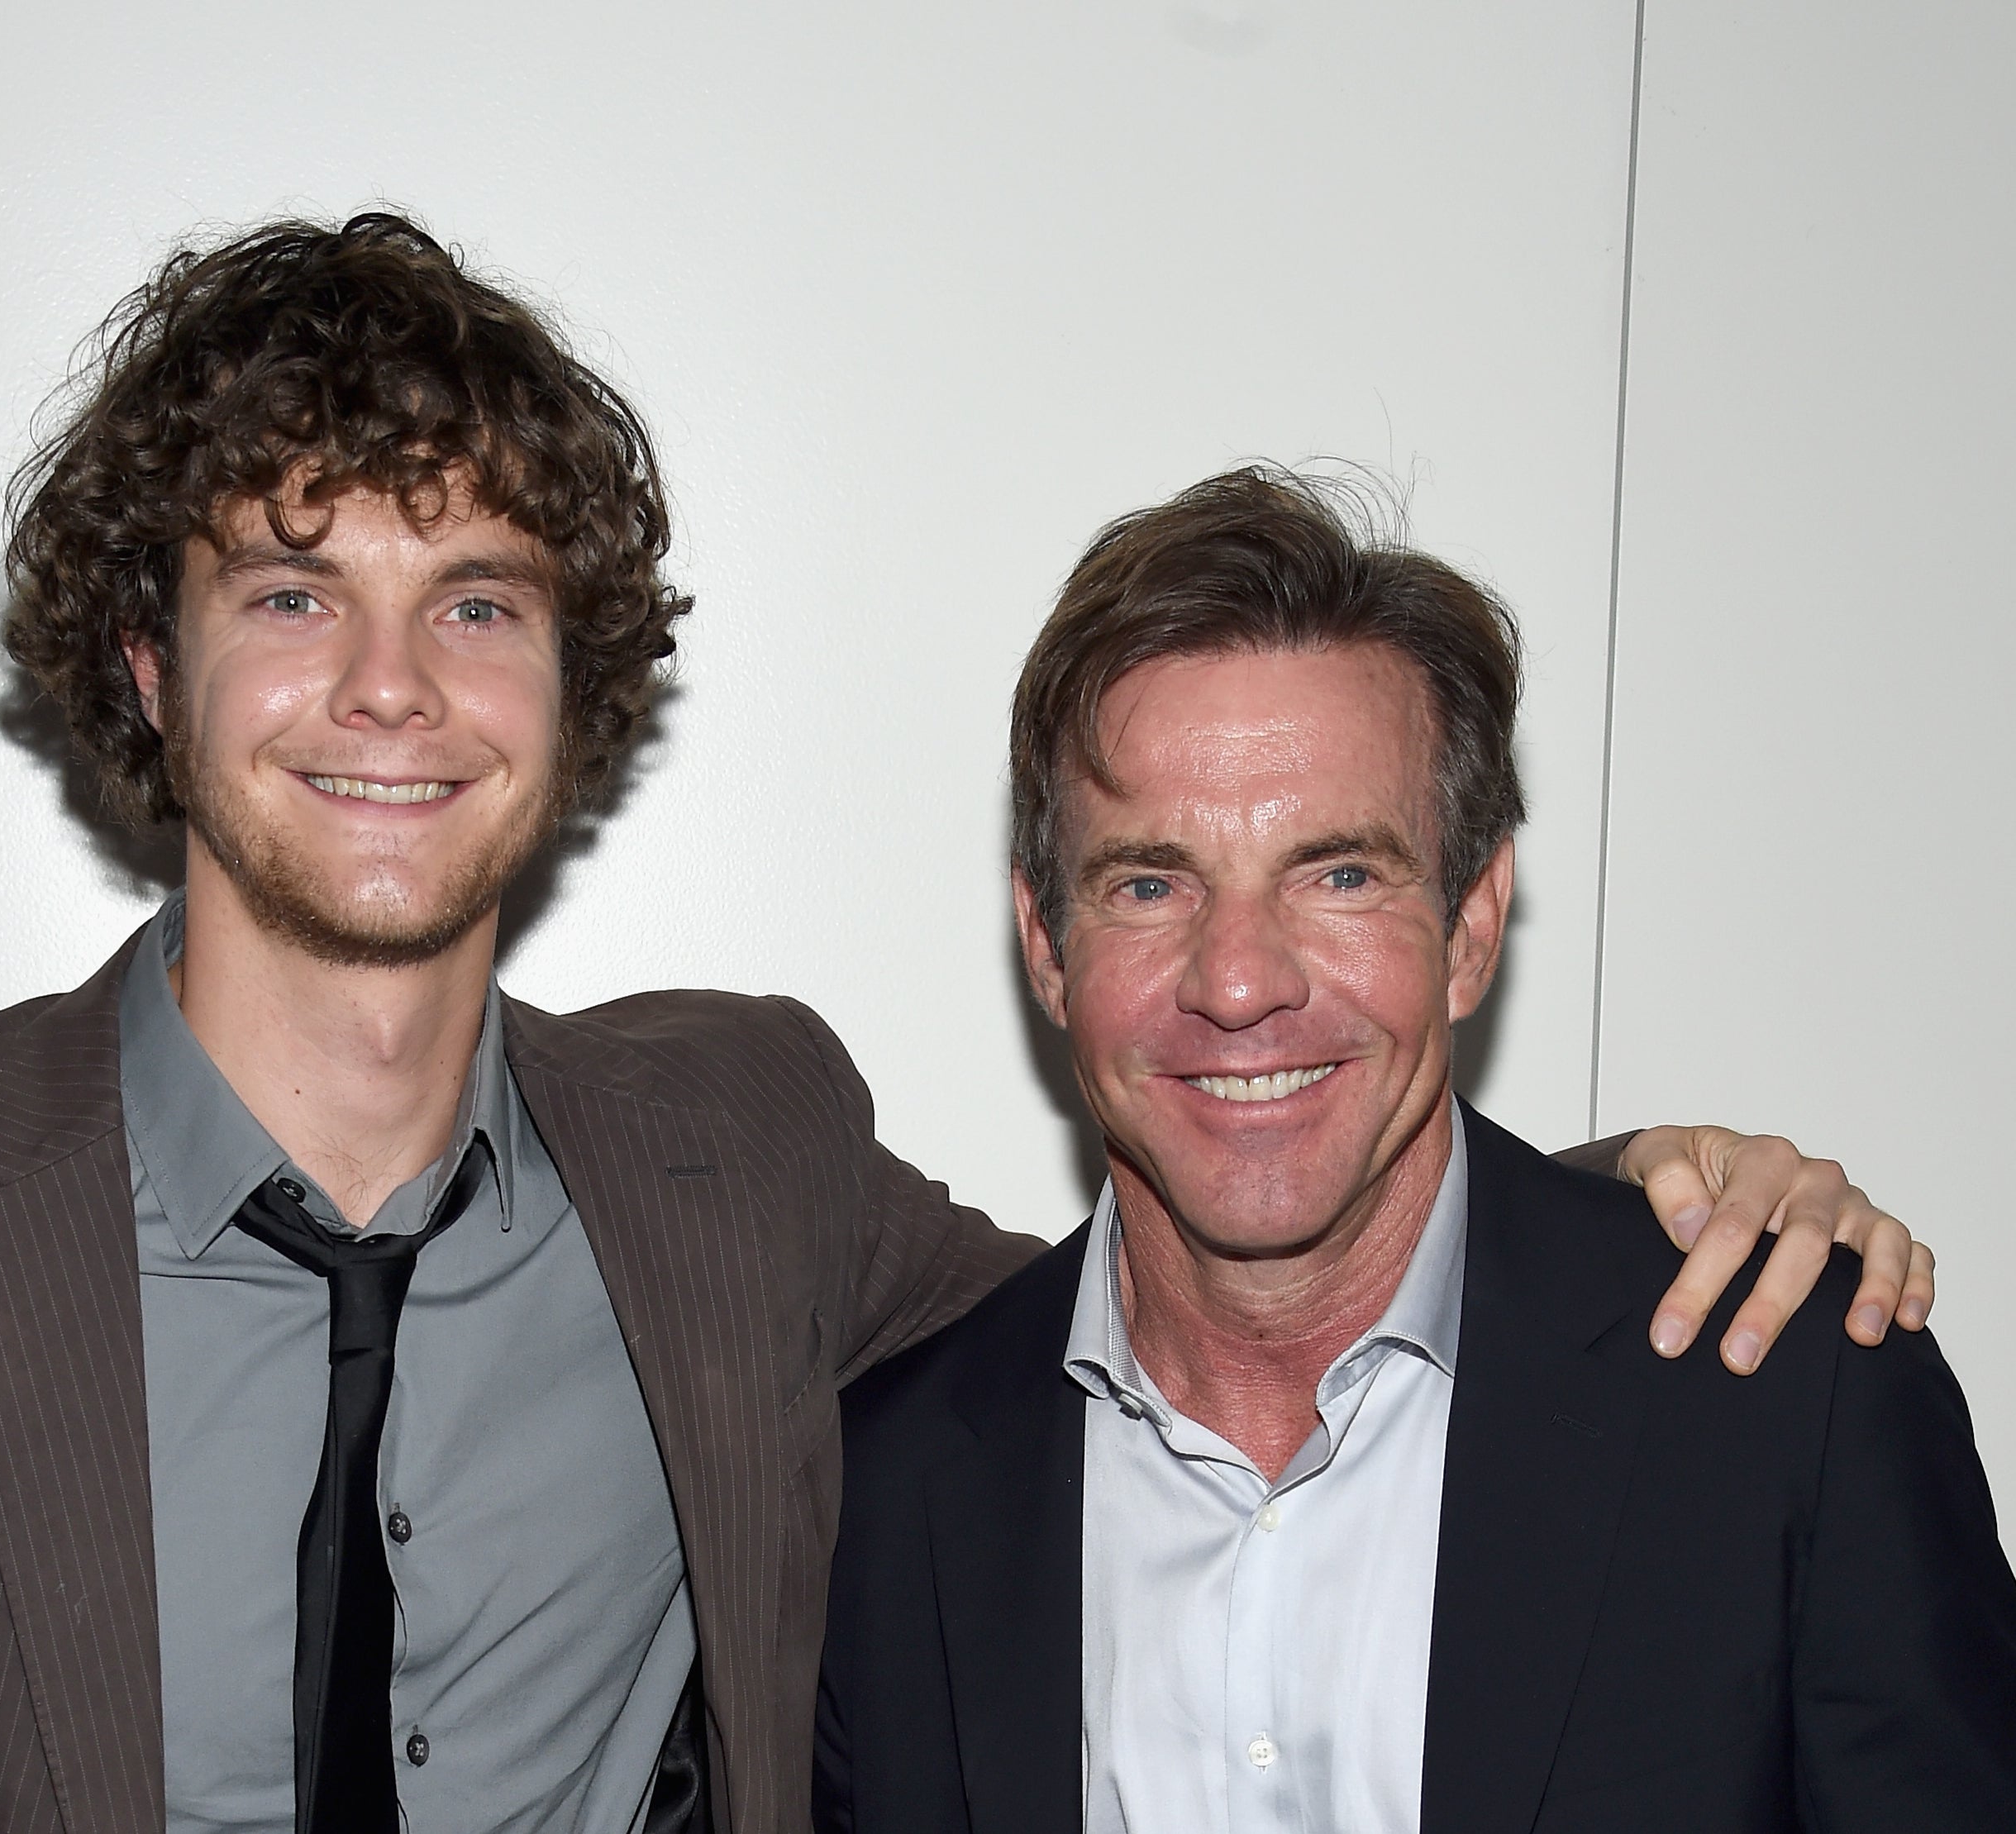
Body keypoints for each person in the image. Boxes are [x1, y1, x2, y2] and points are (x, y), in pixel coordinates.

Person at [0, 217, 1931, 1834]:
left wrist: (1628, 1196)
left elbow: (1220, 1261)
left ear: (569, 687)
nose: (390, 686)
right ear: (143, 664)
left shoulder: (734, 1159)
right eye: (293, 588)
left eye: (476, 598)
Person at [813, 469, 2016, 1833]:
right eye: (1150, 883)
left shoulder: (1791, 1404)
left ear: (1471, 921)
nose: (1238, 979)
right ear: (1046, 943)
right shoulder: (881, 1499)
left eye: (1337, 875)